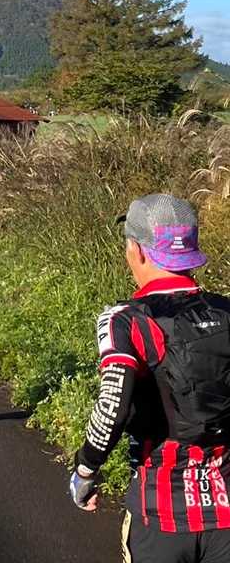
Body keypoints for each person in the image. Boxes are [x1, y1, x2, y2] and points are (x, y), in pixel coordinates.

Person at [69, 194, 230, 560]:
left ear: (137, 251)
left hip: (160, 514)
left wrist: (85, 469)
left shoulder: (126, 319)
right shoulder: (226, 312)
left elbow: (113, 405)